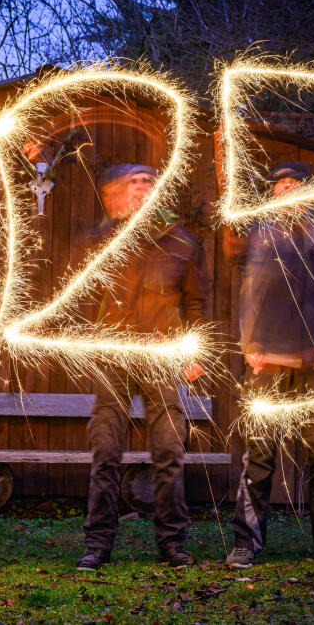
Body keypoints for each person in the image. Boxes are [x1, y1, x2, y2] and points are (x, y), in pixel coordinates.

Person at [225, 161, 314, 569]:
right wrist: (250, 345)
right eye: (280, 187)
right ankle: (246, 543)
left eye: (294, 184)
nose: (287, 192)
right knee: (260, 455)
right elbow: (249, 294)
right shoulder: (263, 237)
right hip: (268, 364)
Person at [76, 163, 208, 571]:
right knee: (106, 452)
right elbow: (80, 298)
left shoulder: (181, 241)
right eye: (133, 184)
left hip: (161, 359)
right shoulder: (100, 240)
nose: (142, 190)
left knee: (169, 451)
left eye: (149, 183)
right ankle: (98, 543)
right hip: (112, 359)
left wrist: (194, 351)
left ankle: (172, 542)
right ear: (115, 193)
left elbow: (195, 303)